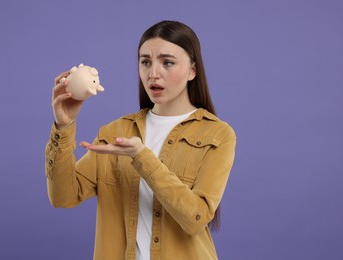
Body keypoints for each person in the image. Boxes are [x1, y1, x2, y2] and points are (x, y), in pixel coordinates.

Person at [46, 20, 236, 260]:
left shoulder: (217, 135)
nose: (153, 73)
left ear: (192, 70)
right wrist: (64, 125)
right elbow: (63, 196)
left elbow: (195, 218)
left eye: (167, 62)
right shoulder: (116, 130)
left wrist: (141, 156)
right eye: (145, 61)